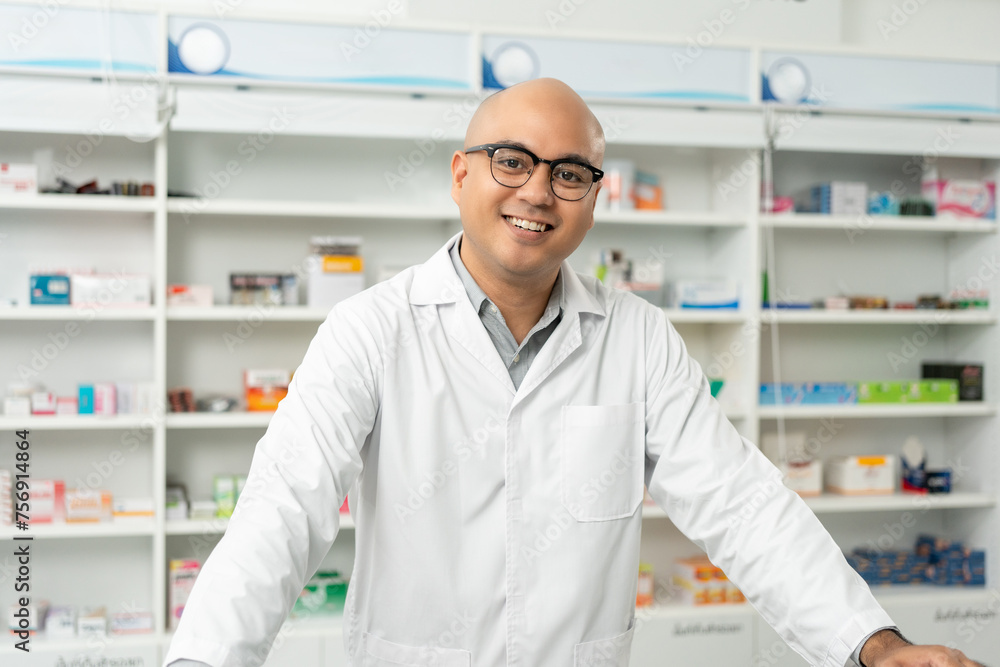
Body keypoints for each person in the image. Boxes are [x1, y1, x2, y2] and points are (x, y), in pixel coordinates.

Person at [163, 78, 986, 667]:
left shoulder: (638, 339)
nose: (539, 192)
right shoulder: (371, 329)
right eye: (511, 161)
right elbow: (281, 511)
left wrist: (874, 645)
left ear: (594, 196)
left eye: (569, 173)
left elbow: (744, 506)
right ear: (462, 175)